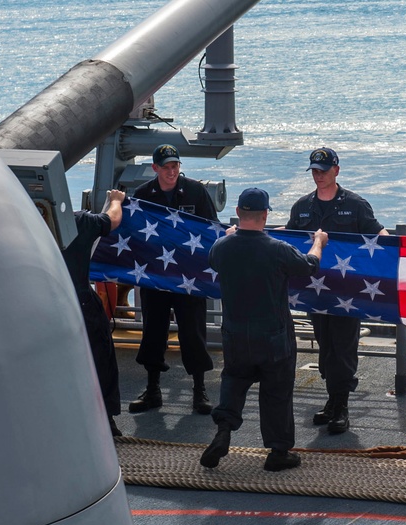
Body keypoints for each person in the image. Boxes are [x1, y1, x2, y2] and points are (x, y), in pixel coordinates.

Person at [200, 188, 328, 472]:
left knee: (233, 380)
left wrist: (229, 235)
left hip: (235, 333)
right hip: (273, 336)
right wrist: (318, 241)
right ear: (266, 214)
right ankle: (278, 452)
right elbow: (310, 266)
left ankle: (223, 431)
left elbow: (214, 258)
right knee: (277, 391)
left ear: (237, 212)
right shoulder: (278, 249)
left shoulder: (222, 246)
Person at [285, 147, 388, 434]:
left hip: (347, 293)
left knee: (343, 350)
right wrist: (258, 233)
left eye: (324, 171)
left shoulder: (356, 205)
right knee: (326, 347)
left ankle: (341, 406)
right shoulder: (302, 206)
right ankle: (331, 401)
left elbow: (377, 234)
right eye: (315, 171)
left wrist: (397, 250)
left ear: (336, 171)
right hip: (316, 293)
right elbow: (289, 237)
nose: (319, 176)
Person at [128, 144, 218, 416]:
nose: (171, 171)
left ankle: (199, 390)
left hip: (189, 279)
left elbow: (211, 228)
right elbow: (134, 234)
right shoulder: (143, 195)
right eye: (166, 167)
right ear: (155, 167)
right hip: (155, 277)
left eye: (175, 166)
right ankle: (152, 389)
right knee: (153, 332)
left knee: (193, 333)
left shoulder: (195, 191)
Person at [61, 190, 126, 436]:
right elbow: (112, 219)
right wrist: (117, 200)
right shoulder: (81, 222)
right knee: (100, 359)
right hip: (80, 303)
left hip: (41, 304)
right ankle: (106, 420)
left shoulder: (22, 225)